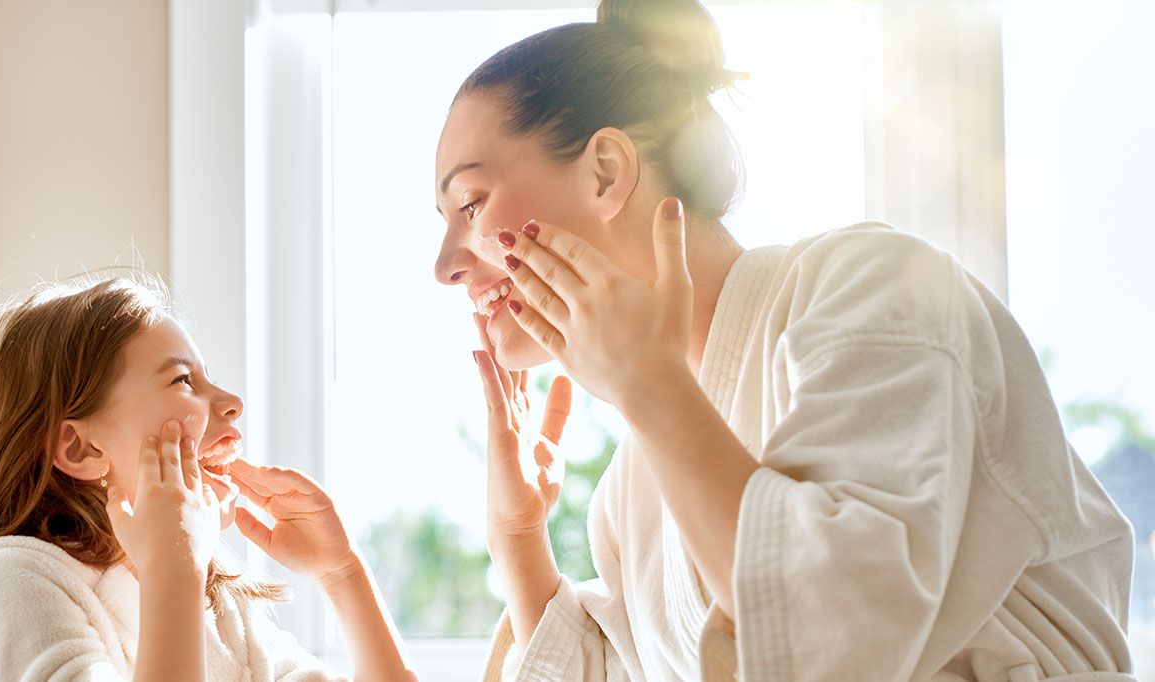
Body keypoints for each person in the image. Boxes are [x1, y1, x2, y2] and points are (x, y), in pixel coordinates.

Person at [431, 1, 1137, 680]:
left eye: (470, 204)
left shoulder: (876, 287)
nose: (446, 265)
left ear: (606, 173)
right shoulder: (632, 488)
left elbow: (827, 643)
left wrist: (651, 390)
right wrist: (519, 543)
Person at [0, 272, 416, 682]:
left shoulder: (217, 609)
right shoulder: (7, 584)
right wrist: (176, 567)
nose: (233, 404)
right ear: (82, 449)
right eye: (184, 380)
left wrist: (342, 574)